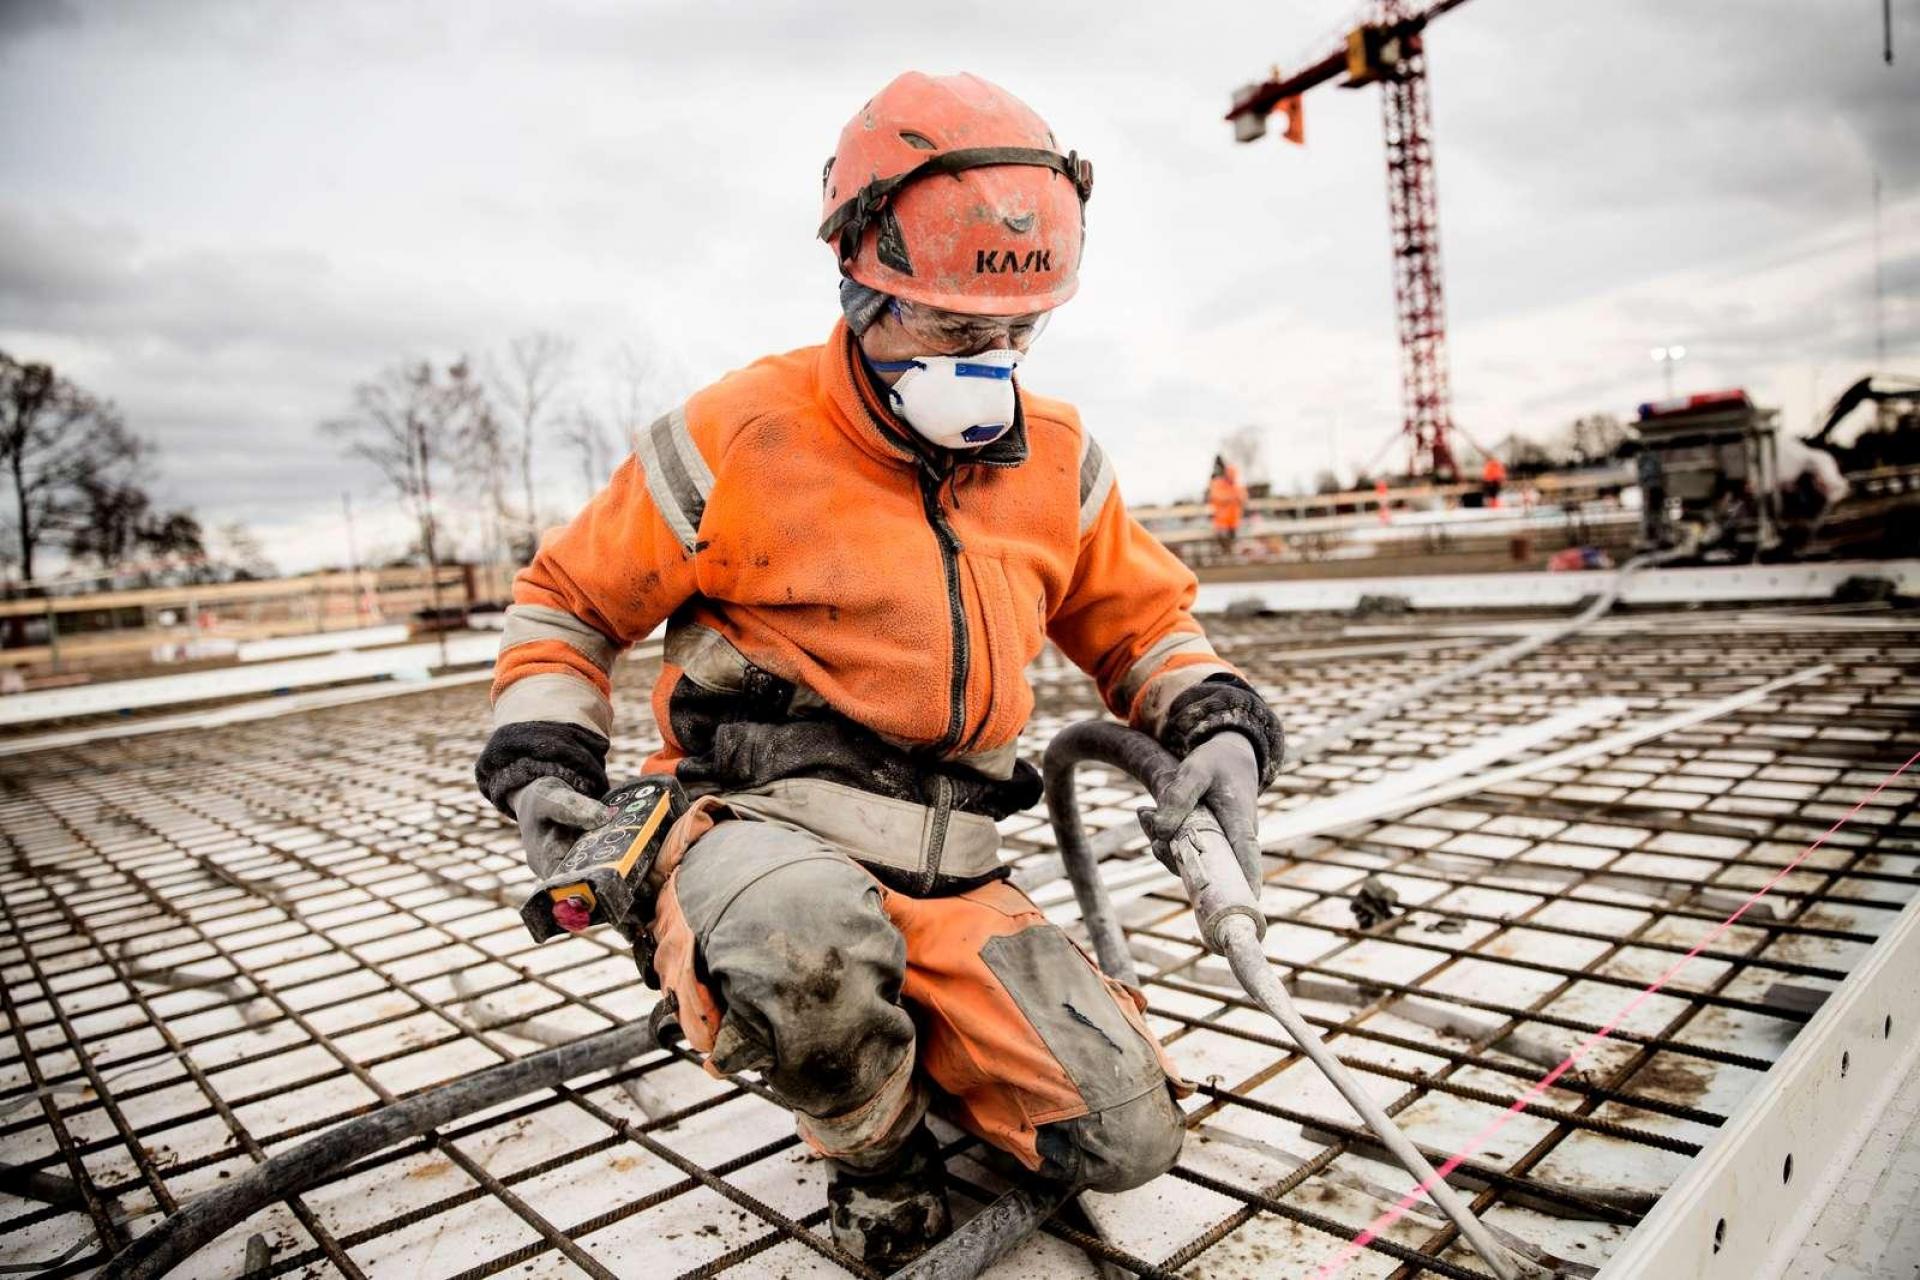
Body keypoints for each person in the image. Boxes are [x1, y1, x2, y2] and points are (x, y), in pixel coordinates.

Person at [474, 71, 1284, 1268]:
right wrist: (545, 752)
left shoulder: (1057, 457)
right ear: (862, 282)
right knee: (803, 944)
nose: (992, 358)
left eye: (1018, 332)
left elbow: (1141, 624)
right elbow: (567, 600)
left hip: (951, 860)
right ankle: (867, 1146)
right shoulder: (744, 433)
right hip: (757, 825)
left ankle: (885, 1035)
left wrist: (1210, 712)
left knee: (1124, 1137)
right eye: (957, 330)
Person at [1207, 453, 1246, 549]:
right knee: (1223, 538)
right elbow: (1217, 496)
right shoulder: (1218, 483)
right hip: (1221, 522)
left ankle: (1229, 550)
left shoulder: (1236, 486)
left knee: (1231, 540)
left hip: (1233, 521)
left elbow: (1243, 498)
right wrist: (1231, 498)